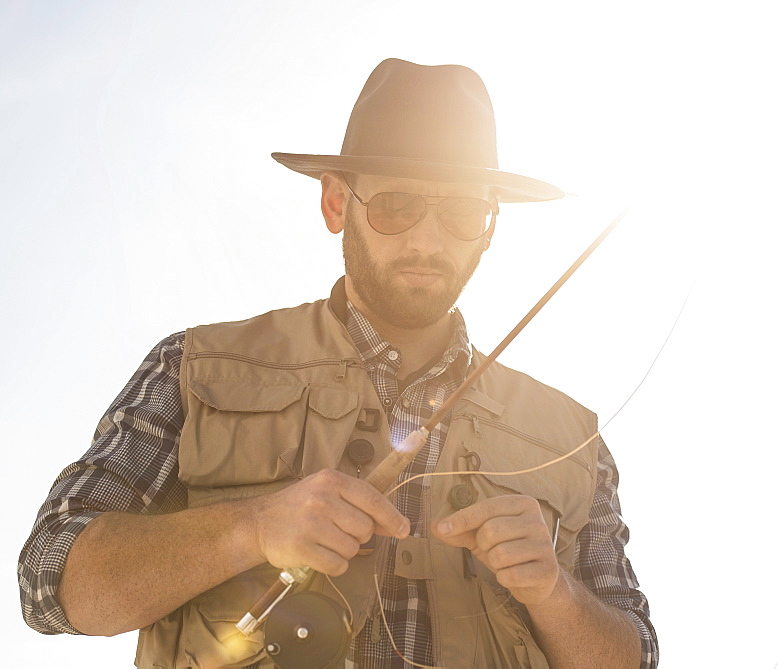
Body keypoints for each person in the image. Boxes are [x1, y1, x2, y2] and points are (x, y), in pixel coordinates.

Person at [19, 58, 658, 668]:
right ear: (335, 204)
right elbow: (48, 580)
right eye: (397, 204)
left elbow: (639, 659)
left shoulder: (575, 439)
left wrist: (556, 595)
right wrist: (251, 528)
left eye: (463, 210)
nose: (428, 240)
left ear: (490, 227)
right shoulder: (189, 367)